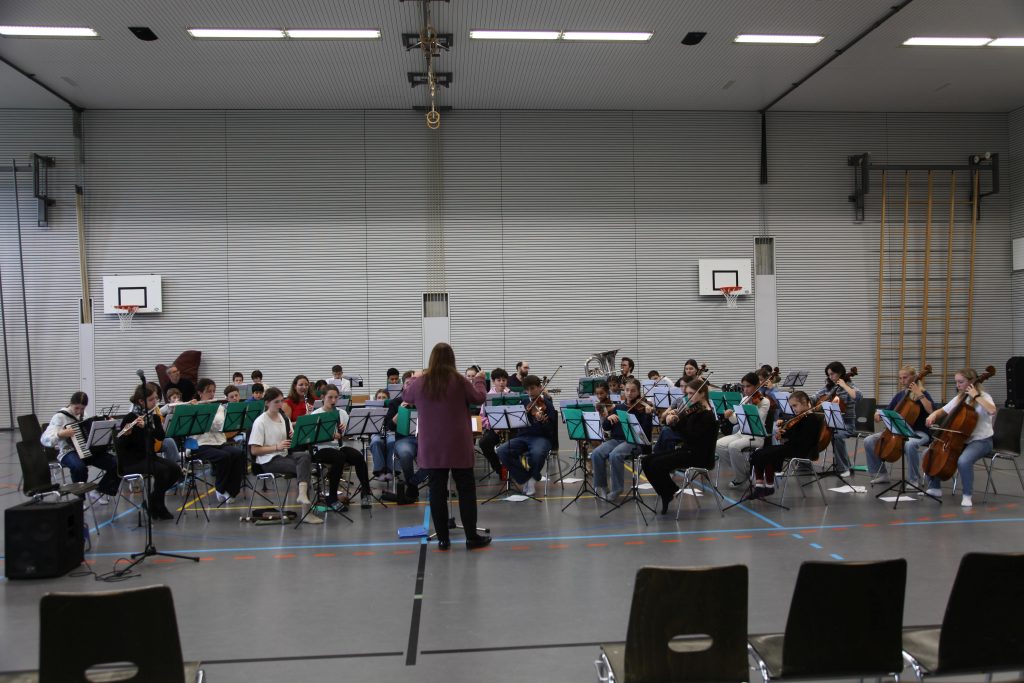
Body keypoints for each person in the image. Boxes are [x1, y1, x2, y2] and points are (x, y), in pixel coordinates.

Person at [402, 342, 490, 550]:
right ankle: (471, 537)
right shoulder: (459, 380)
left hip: (432, 445)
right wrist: (479, 380)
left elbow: (406, 396)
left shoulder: (421, 382)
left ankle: (443, 539)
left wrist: (414, 377)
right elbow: (479, 398)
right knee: (466, 490)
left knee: (437, 491)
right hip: (458, 443)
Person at [641, 379, 718, 513]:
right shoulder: (695, 410)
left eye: (691, 393)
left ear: (702, 393)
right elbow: (681, 429)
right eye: (687, 393)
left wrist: (676, 422)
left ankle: (667, 493)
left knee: (656, 464)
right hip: (687, 450)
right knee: (646, 461)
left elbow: (691, 436)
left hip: (698, 455)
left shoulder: (707, 415)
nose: (688, 397)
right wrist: (671, 418)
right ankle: (670, 489)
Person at [923, 368, 996, 508]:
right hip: (961, 440)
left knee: (963, 461)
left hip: (981, 441)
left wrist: (976, 396)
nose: (957, 385)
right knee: (929, 452)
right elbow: (943, 410)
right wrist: (933, 415)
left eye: (961, 382)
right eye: (956, 382)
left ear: (971, 381)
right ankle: (935, 487)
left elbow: (992, 410)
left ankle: (967, 495)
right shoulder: (960, 397)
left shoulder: (984, 396)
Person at [116, 383, 185, 520]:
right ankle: (159, 505)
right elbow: (120, 444)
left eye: (156, 398)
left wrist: (147, 427)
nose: (155, 402)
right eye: (151, 399)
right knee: (162, 471)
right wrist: (127, 434)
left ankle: (153, 501)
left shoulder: (153, 416)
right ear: (141, 401)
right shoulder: (130, 417)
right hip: (133, 460)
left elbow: (161, 436)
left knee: (175, 469)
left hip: (149, 457)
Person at [249, 387, 319, 522]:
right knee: (304, 468)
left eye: (282, 401)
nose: (280, 404)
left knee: (305, 456)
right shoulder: (260, 422)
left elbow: (290, 441)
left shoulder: (283, 418)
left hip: (283, 455)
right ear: (267, 403)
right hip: (268, 460)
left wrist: (294, 437)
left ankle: (303, 495)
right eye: (276, 402)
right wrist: (277, 447)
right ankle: (306, 512)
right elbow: (254, 450)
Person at [41, 391, 120, 505]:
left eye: (82, 408)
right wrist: (60, 434)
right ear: (71, 404)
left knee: (117, 464)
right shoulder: (60, 417)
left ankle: (99, 490)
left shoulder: (83, 415)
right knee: (79, 468)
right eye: (76, 408)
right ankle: (79, 500)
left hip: (86, 451)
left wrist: (107, 423)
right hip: (68, 452)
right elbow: (44, 439)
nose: (79, 411)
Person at [864, 365, 934, 485]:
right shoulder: (900, 395)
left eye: (905, 377)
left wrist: (919, 394)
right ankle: (882, 474)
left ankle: (914, 479)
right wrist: (878, 413)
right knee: (868, 440)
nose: (902, 381)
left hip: (919, 432)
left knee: (910, 444)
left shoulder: (924, 394)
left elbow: (931, 410)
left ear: (914, 377)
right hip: (898, 431)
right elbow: (888, 410)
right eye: (900, 378)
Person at [591, 378, 653, 503]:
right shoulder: (619, 407)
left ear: (638, 392)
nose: (629, 393)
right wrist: (609, 419)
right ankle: (602, 486)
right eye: (627, 390)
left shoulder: (643, 408)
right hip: (616, 440)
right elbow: (606, 427)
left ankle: (617, 489)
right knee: (596, 453)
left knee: (615, 455)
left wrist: (647, 415)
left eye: (633, 391)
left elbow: (645, 434)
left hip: (634, 442)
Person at [311, 385, 372, 510]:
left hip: (339, 447)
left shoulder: (342, 413)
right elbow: (312, 438)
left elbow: (348, 436)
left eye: (336, 397)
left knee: (358, 456)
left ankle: (365, 492)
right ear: (322, 397)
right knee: (339, 457)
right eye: (330, 397)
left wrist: (346, 432)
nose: (333, 400)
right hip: (321, 449)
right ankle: (332, 498)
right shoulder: (316, 414)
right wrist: (330, 435)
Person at [749, 391, 821, 496]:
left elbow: (804, 440)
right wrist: (783, 434)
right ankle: (760, 486)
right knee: (759, 453)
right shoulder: (799, 417)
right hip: (791, 447)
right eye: (792, 406)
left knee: (766, 454)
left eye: (795, 405)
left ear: (805, 402)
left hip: (801, 450)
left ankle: (768, 487)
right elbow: (793, 434)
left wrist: (786, 435)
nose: (793, 409)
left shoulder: (811, 419)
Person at [497, 374, 555, 495]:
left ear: (540, 388)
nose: (530, 392)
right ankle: (526, 477)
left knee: (538, 453)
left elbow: (551, 429)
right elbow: (515, 423)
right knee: (502, 450)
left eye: (532, 388)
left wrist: (542, 421)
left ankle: (532, 479)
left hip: (541, 438)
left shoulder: (547, 404)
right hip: (522, 437)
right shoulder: (523, 403)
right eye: (527, 389)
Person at [192, 379, 246, 504]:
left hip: (219, 442)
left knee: (238, 454)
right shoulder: (194, 408)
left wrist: (208, 411)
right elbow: (205, 425)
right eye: (208, 391)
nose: (212, 394)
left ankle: (232, 491)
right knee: (224, 457)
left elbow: (220, 425)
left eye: (213, 391)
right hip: (201, 444)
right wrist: (199, 409)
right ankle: (220, 488)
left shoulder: (219, 407)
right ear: (200, 393)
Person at [718, 372, 772, 488]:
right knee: (718, 445)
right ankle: (744, 471)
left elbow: (758, 419)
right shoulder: (744, 399)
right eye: (743, 386)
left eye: (748, 386)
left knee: (733, 446)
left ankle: (740, 477)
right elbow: (734, 421)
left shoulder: (764, 401)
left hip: (756, 435)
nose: (745, 389)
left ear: (757, 386)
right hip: (741, 433)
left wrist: (751, 407)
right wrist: (730, 415)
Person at [814, 362, 861, 478]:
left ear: (840, 373)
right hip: (830, 423)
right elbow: (815, 396)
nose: (830, 377)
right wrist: (804, 401)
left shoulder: (849, 385)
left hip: (847, 424)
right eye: (828, 375)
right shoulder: (830, 386)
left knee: (837, 436)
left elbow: (858, 397)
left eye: (832, 374)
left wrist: (844, 385)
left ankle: (844, 468)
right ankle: (804, 464)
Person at [384, 370, 423, 501]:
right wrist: (400, 410)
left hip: (424, 438)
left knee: (440, 453)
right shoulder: (395, 403)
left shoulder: (425, 401)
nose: (411, 386)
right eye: (408, 383)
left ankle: (412, 483)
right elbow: (389, 426)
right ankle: (413, 489)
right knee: (405, 455)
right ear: (403, 386)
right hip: (404, 439)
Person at [478, 367, 511, 475]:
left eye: (504, 380)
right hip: (495, 429)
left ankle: (515, 469)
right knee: (483, 443)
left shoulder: (512, 394)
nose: (501, 382)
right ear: (493, 381)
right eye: (498, 380)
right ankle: (499, 469)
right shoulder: (487, 397)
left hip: (511, 428)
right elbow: (482, 418)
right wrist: (493, 426)